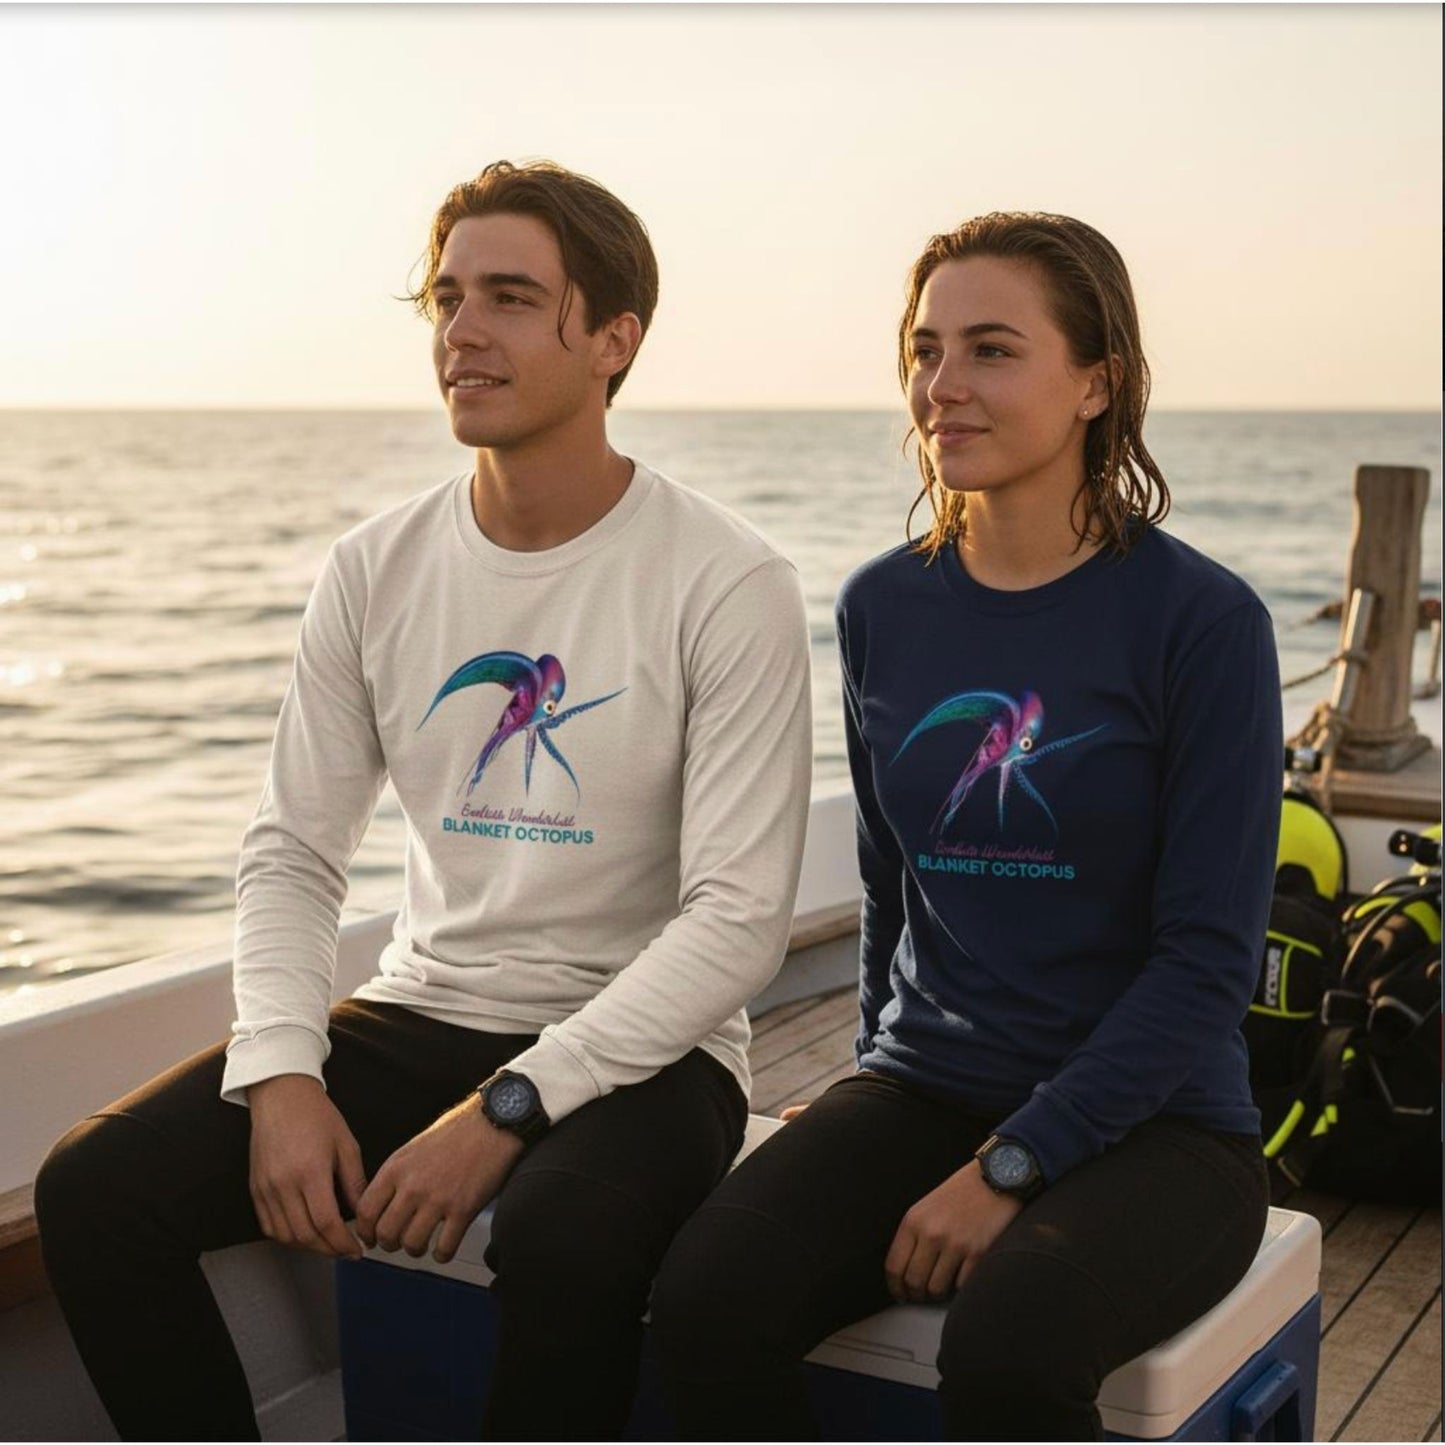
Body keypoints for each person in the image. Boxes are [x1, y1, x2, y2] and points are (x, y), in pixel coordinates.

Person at [35, 159, 812, 1442]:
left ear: (612, 340)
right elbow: (294, 852)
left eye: (510, 298)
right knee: (96, 1187)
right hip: (426, 1005)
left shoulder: (724, 578)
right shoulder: (375, 567)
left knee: (561, 1237)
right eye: (447, 298)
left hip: (651, 1051)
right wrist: (280, 1070)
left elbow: (734, 922)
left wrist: (508, 1106)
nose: (461, 331)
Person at [650, 212, 1282, 1441]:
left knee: (1010, 1346)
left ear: (1095, 382)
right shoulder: (884, 605)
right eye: (924, 349)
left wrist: (1014, 1161)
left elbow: (1205, 963)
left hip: (1162, 1124)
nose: (942, 384)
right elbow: (891, 880)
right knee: (705, 1296)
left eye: (990, 349)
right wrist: (868, 1071)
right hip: (924, 1085)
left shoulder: (1199, 622)